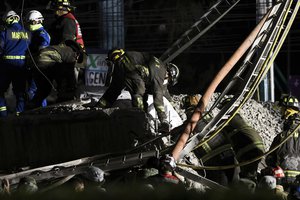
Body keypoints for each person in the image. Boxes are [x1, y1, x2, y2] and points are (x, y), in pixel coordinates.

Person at [95, 48, 176, 132]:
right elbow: (158, 94)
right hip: (132, 69)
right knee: (139, 95)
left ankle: (99, 107)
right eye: (169, 80)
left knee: (115, 89)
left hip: (121, 63)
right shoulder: (161, 73)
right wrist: (163, 119)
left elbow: (164, 91)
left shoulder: (158, 66)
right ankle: (142, 124)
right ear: (169, 74)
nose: (166, 82)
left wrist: (172, 102)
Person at [46, 0, 87, 102]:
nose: (53, 12)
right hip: (71, 55)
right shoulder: (65, 19)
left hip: (70, 57)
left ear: (60, 9)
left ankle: (68, 102)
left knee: (68, 82)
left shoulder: (67, 21)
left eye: (55, 9)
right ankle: (65, 99)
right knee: (66, 82)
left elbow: (66, 42)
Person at [265, 94, 300, 191]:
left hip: (282, 181)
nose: (281, 112)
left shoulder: (281, 137)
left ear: (287, 111)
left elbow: (270, 159)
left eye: (282, 109)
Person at [0, 10, 31, 117]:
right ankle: (19, 114)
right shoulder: (28, 33)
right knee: (20, 92)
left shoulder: (4, 33)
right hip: (21, 65)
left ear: (8, 20)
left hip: (7, 65)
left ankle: (3, 115)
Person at [25, 10, 50, 107]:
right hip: (32, 66)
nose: (28, 25)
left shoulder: (41, 34)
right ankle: (41, 111)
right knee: (36, 91)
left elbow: (42, 53)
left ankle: (40, 111)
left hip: (39, 67)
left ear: (36, 21)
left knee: (34, 91)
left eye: (29, 22)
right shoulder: (34, 33)